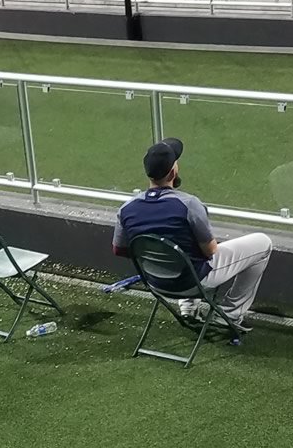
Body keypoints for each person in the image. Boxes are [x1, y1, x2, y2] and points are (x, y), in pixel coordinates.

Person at [113, 137, 272, 329]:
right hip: (194, 282)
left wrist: (154, 256)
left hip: (156, 283)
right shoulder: (188, 204)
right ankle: (228, 315)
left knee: (182, 250)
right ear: (173, 171)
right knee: (263, 243)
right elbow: (211, 252)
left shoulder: (127, 208)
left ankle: (188, 308)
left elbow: (119, 250)